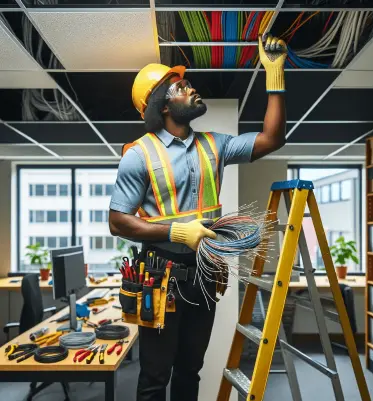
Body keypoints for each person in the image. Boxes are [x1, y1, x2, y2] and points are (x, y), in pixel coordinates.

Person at [109, 33, 287, 401]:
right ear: (163, 106)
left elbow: (271, 139)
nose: (191, 90)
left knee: (191, 371)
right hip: (161, 277)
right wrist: (177, 233)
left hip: (206, 275)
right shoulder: (138, 155)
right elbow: (117, 222)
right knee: (155, 375)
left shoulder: (215, 145)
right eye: (181, 88)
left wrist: (275, 77)